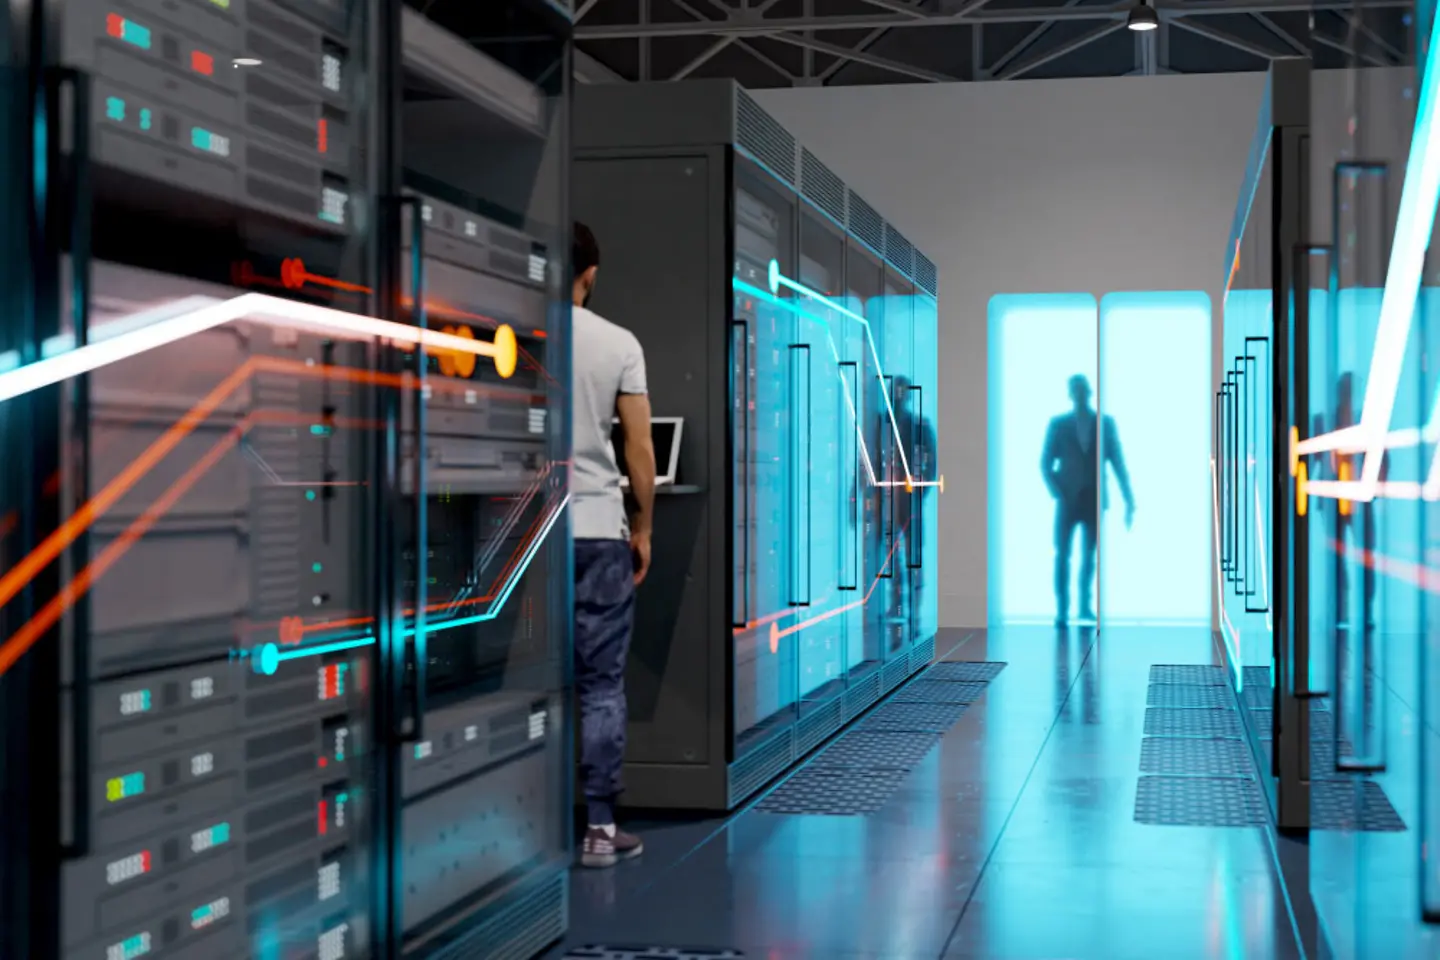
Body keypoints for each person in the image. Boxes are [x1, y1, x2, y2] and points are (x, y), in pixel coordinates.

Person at [569, 222, 655, 869]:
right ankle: (599, 830)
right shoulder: (618, 343)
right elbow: (639, 448)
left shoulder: (508, 337)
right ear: (590, 274)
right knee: (601, 683)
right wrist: (644, 524)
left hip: (522, 539)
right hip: (598, 531)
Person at [1040, 374, 1134, 626]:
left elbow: (1117, 462)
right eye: (1076, 390)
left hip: (1093, 498)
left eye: (1083, 389)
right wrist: (1057, 491)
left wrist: (1129, 498)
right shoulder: (1059, 424)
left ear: (1089, 392)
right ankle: (1062, 610)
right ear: (1071, 394)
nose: (1080, 394)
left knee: (1089, 555)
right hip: (1067, 499)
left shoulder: (1105, 424)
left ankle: (1084, 606)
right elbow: (1045, 463)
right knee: (1062, 554)